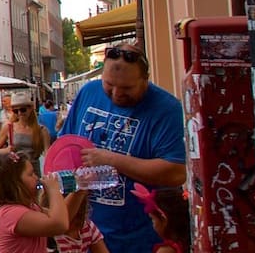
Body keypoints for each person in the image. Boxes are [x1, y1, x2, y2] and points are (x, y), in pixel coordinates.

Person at [56, 45, 185, 253]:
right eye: (108, 85)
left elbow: (176, 172)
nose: (116, 94)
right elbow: (64, 151)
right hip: (85, 236)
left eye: (126, 89)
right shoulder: (88, 92)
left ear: (145, 79)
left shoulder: (166, 109)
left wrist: (112, 160)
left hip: (138, 240)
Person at [0, 149, 70, 253]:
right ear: (13, 183)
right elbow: (60, 224)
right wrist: (53, 190)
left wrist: (81, 191)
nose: (36, 177)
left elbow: (65, 217)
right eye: (31, 174)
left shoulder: (28, 207)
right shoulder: (9, 214)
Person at [0, 91, 49, 168]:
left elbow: (48, 154)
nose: (19, 113)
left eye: (23, 110)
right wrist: (6, 150)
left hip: (33, 172)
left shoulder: (42, 130)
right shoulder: (8, 127)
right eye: (16, 111)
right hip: (15, 171)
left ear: (30, 109)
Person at [133, 186, 190, 253]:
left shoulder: (166, 251)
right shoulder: (187, 242)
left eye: (152, 219)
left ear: (164, 219)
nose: (153, 225)